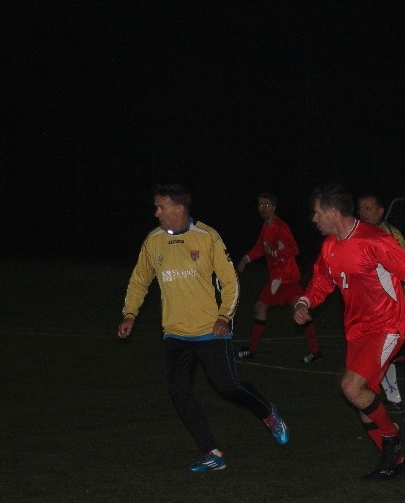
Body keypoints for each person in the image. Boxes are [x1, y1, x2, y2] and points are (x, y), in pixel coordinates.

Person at [118, 184, 289, 473]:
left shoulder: (207, 236)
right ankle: (211, 452)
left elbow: (231, 281)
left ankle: (268, 413)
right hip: (175, 332)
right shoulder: (153, 241)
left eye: (161, 207)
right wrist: (129, 313)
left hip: (210, 329)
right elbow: (139, 280)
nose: (156, 212)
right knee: (178, 390)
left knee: (228, 387)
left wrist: (224, 316)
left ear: (178, 208)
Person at [293, 184, 405, 480]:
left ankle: (392, 436)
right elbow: (322, 281)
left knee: (351, 387)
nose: (314, 219)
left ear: (333, 212)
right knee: (363, 401)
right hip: (357, 330)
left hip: (387, 325)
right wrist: (305, 301)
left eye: (317, 213)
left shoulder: (375, 240)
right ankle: (395, 462)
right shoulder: (330, 246)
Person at [356, 193, 405, 414]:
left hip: (399, 301)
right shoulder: (372, 233)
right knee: (392, 352)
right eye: (361, 208)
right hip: (387, 303)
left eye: (368, 208)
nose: (363, 213)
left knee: (385, 352)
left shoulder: (386, 234)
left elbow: (400, 266)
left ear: (381, 212)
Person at [235, 193, 322, 363]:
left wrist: (276, 252)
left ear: (274, 207)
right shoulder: (266, 227)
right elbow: (260, 248)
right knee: (298, 310)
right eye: (260, 205)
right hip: (284, 277)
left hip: (283, 278)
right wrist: (246, 259)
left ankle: (250, 350)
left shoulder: (280, 227)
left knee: (261, 306)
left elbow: (294, 249)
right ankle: (315, 352)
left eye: (267, 205)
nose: (263, 208)